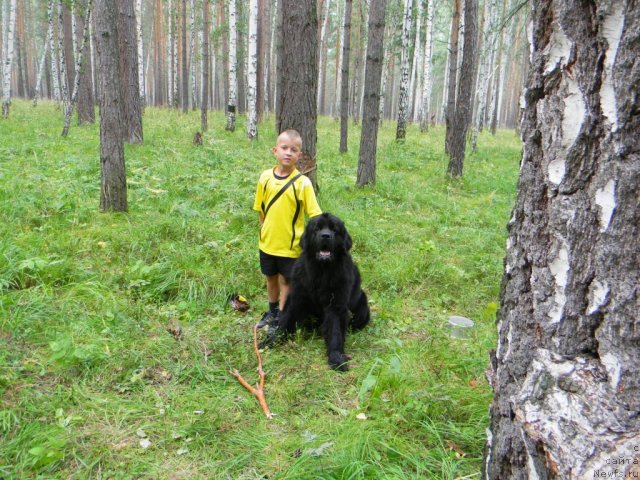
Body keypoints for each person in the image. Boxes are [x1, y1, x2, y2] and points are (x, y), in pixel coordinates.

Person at [253, 129, 322, 329]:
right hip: (267, 244)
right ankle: (272, 311)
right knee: (270, 278)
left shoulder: (303, 184)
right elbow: (260, 209)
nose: (288, 153)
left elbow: (315, 215)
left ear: (299, 156)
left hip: (290, 248)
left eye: (294, 150)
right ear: (275, 150)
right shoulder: (265, 178)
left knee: (287, 281)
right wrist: (265, 231)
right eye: (284, 148)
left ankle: (283, 316)